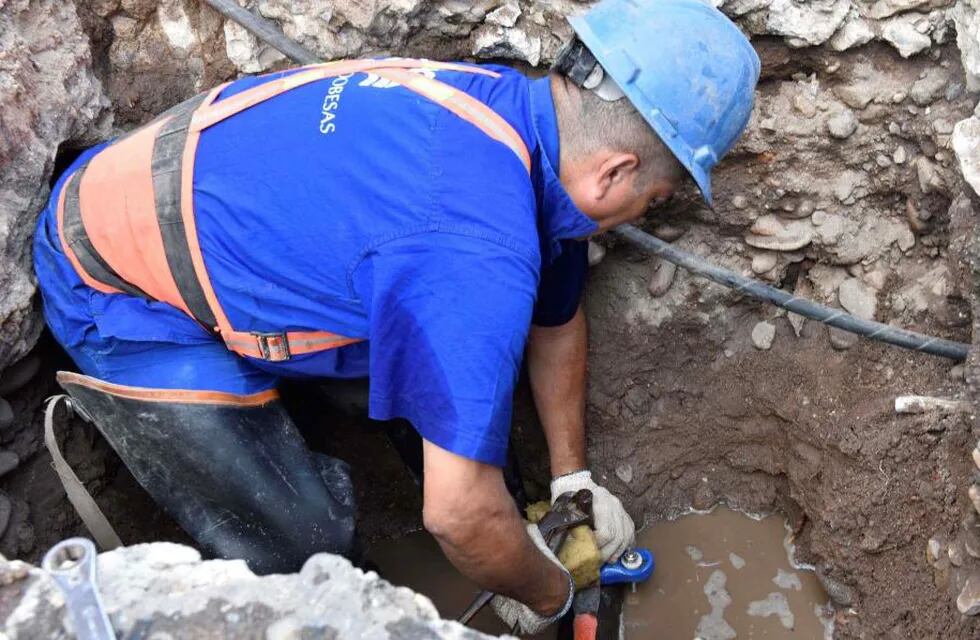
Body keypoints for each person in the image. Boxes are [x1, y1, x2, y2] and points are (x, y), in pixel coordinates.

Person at [33, 0, 758, 633]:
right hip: (115, 279)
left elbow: (556, 318)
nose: (639, 215)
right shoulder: (478, 253)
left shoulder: (515, 119)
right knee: (306, 550)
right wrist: (549, 595)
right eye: (654, 201)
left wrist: (572, 479)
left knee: (464, 398)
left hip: (225, 208)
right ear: (616, 174)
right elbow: (458, 515)